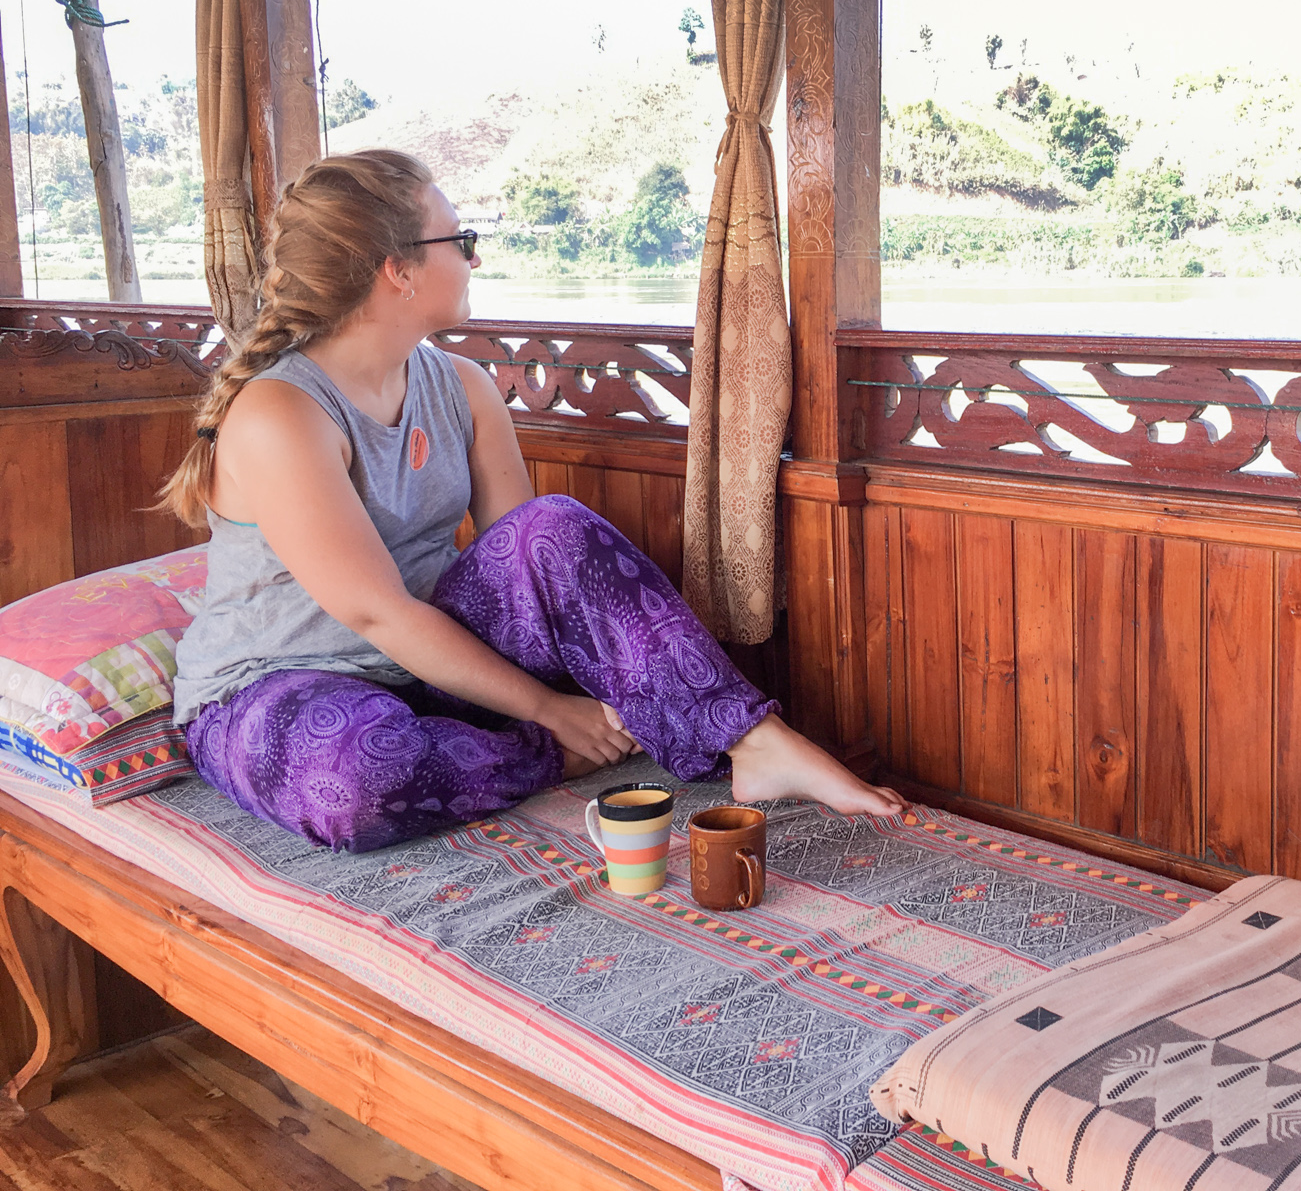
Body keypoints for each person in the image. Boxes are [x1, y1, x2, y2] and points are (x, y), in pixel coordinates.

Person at [161, 149, 905, 853]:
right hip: (281, 687)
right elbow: (376, 612)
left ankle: (754, 743)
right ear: (398, 271)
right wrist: (553, 713)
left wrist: (588, 669)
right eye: (461, 239)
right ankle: (554, 752)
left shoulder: (461, 385)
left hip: (433, 673)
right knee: (358, 781)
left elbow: (528, 566)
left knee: (549, 529)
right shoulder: (280, 414)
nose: (475, 257)